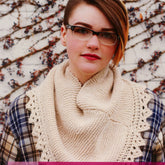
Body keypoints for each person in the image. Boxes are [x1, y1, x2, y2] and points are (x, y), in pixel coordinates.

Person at [0, 0, 165, 163]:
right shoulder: (24, 111)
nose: (93, 44)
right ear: (64, 34)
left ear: (118, 43)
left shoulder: (148, 109)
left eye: (107, 34)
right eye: (81, 30)